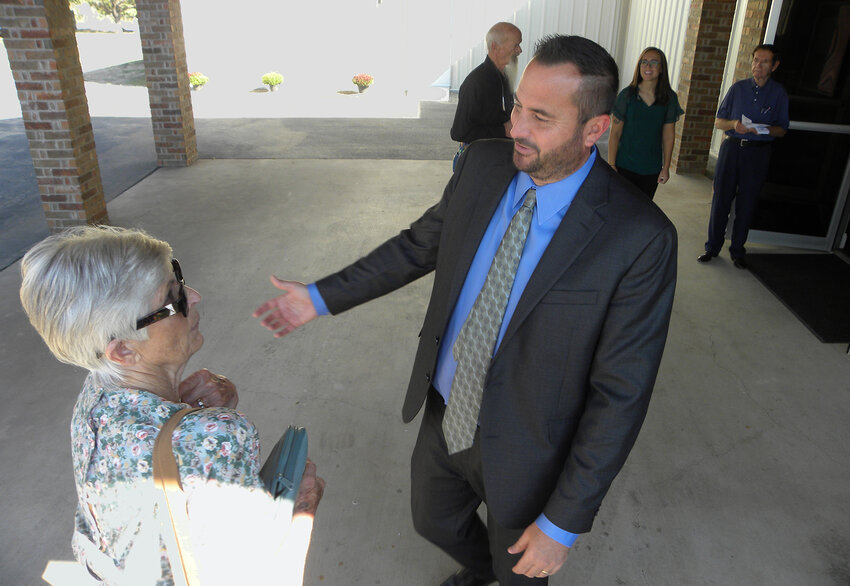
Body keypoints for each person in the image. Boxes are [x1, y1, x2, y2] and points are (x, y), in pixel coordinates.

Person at [255, 35, 677, 586]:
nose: (516, 127)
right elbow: (416, 246)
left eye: (541, 118)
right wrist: (318, 297)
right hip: (445, 410)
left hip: (531, 444)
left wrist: (563, 524)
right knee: (432, 521)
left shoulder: (639, 236)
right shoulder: (482, 165)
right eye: (518, 107)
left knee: (522, 564)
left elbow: (621, 393)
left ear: (594, 129)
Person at [19, 226, 325, 585]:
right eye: (174, 297)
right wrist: (303, 508)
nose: (194, 296)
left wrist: (184, 410)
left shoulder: (94, 400)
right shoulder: (219, 436)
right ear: (123, 350)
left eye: (178, 277)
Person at [698, 44, 789, 269]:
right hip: (732, 149)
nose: (757, 65)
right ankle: (712, 247)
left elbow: (782, 128)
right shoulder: (738, 89)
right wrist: (734, 125)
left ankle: (738, 251)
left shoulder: (778, 93)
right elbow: (719, 121)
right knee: (721, 200)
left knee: (747, 204)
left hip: (757, 154)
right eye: (755, 60)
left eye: (764, 61)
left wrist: (764, 129)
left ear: (774, 66)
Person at [607, 46, 684, 199]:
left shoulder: (669, 98)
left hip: (651, 168)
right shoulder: (627, 96)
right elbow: (615, 133)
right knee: (621, 211)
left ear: (662, 69)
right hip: (624, 165)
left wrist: (666, 167)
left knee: (642, 213)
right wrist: (611, 165)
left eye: (654, 62)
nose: (648, 66)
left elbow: (668, 136)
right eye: (644, 62)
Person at [451, 22, 522, 169]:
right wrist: (503, 130)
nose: (519, 50)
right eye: (515, 45)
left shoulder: (503, 78)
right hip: (474, 164)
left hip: (494, 159)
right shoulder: (476, 82)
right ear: (495, 47)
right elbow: (459, 132)